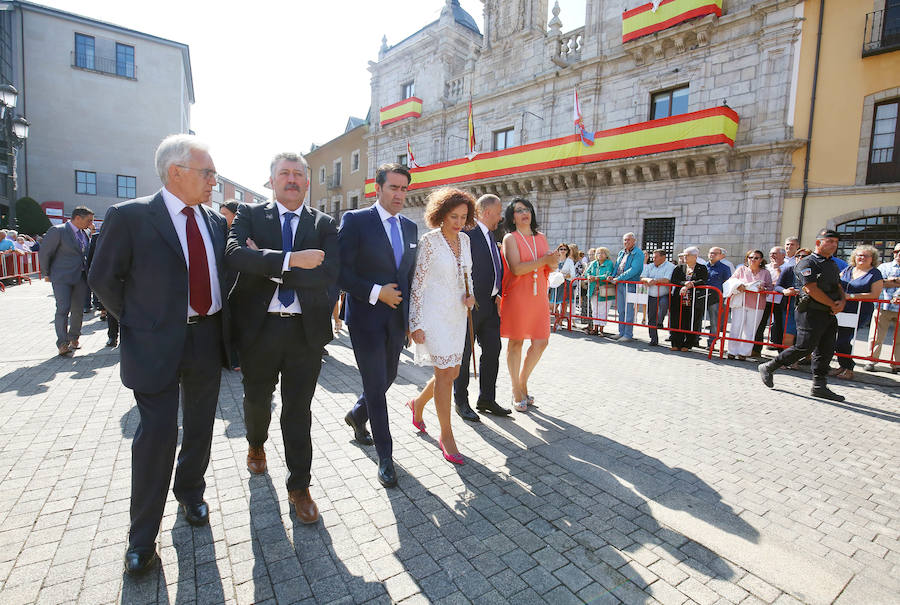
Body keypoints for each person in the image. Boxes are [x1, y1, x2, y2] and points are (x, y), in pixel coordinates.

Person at [88, 134, 230, 575]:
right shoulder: (130, 217)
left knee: (201, 426)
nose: (214, 180)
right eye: (207, 173)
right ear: (176, 172)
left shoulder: (215, 221)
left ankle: (191, 492)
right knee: (156, 436)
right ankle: (142, 538)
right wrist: (140, 321)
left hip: (206, 338)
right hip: (153, 345)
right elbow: (102, 279)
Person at [225, 152, 337, 522]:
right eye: (283, 173)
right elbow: (236, 256)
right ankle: (256, 445)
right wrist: (292, 261)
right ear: (271, 181)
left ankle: (299, 486)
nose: (291, 179)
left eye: (298, 174)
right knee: (257, 400)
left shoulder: (324, 224)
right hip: (260, 330)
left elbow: (327, 273)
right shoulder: (251, 215)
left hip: (305, 334)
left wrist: (268, 265)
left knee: (297, 412)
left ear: (307, 182)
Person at [339, 163, 416, 489]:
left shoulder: (411, 228)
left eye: (404, 189)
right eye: (393, 188)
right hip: (366, 319)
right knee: (375, 385)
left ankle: (357, 414)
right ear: (378, 189)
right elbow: (338, 270)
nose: (399, 194)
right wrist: (375, 292)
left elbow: (409, 278)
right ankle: (386, 457)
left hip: (397, 321)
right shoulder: (356, 221)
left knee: (390, 377)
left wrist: (411, 319)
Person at [406, 189, 476, 464]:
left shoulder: (467, 241)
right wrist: (416, 323)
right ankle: (446, 434)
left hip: (457, 315)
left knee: (453, 371)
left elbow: (467, 276)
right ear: (441, 215)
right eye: (453, 216)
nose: (458, 222)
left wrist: (472, 297)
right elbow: (418, 285)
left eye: (463, 216)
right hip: (434, 316)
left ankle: (417, 404)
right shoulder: (430, 241)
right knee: (446, 374)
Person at [759, 229, 847, 401]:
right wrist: (832, 304)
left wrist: (842, 302)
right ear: (818, 242)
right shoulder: (807, 263)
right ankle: (769, 366)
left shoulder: (833, 264)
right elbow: (811, 289)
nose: (833, 245)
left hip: (828, 313)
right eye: (829, 241)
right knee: (804, 346)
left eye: (836, 242)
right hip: (810, 311)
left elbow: (838, 285)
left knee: (826, 349)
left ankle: (819, 385)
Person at [452, 194, 511, 419]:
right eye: (498, 213)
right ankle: (461, 401)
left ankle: (487, 399)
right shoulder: (468, 234)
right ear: (487, 213)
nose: (500, 217)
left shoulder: (492, 235)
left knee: (493, 351)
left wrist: (497, 292)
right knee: (465, 355)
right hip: (471, 306)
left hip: (490, 306)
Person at [499, 197, 561, 412]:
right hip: (518, 296)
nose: (524, 213)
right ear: (512, 216)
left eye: (527, 209)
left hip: (539, 296)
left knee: (541, 342)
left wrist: (554, 260)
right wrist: (544, 261)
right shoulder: (510, 238)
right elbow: (516, 268)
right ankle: (516, 389)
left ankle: (522, 381)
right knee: (516, 343)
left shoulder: (541, 237)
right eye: (518, 210)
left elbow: (549, 267)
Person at [39, 206, 95, 356]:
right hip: (62, 277)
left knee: (78, 310)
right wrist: (46, 273)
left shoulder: (86, 233)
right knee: (63, 309)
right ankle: (62, 343)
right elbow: (45, 253)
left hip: (80, 277)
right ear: (78, 218)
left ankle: (74, 338)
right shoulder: (58, 231)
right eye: (88, 220)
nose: (91, 224)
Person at [831, 245, 883, 380]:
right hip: (842, 308)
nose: (862, 258)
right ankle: (843, 365)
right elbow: (837, 284)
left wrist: (852, 296)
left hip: (861, 310)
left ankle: (849, 368)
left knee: (844, 339)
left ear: (872, 259)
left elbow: (875, 294)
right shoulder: (848, 269)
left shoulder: (875, 273)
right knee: (838, 338)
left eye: (866, 256)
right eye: (859, 255)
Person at [725, 249, 772, 360]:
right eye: (750, 257)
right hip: (741, 302)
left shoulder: (765, 273)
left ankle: (744, 353)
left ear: (761, 260)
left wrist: (763, 288)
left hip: (757, 304)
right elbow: (732, 280)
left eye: (756, 258)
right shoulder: (741, 269)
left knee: (751, 329)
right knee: (736, 327)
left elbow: (770, 287)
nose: (753, 260)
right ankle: (732, 351)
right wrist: (738, 285)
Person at [867, 243, 900, 373]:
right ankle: (871, 360)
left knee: (899, 339)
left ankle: (896, 363)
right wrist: (893, 281)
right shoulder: (884, 267)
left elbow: (886, 282)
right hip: (883, 306)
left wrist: (892, 280)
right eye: (897, 251)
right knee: (876, 336)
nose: (899, 254)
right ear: (893, 253)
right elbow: (879, 283)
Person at [670, 247, 709, 351]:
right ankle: (676, 342)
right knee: (677, 319)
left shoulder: (702, 268)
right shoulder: (679, 267)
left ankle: (687, 344)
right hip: (679, 298)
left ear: (695, 256)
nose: (685, 257)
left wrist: (691, 284)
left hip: (693, 299)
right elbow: (674, 279)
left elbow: (703, 280)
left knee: (691, 320)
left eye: (687, 255)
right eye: (684, 255)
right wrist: (684, 283)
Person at [778, 248, 813, 363]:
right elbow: (778, 286)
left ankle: (807, 358)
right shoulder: (789, 270)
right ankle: (787, 361)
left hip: (809, 308)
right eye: (798, 256)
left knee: (806, 336)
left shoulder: (814, 272)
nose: (800, 258)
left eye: (804, 256)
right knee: (788, 333)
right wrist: (785, 291)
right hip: (790, 306)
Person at [752, 246, 787, 356]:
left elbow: (783, 284)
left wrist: (777, 273)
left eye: (775, 253)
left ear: (783, 255)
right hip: (765, 300)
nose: (772, 255)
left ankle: (781, 353)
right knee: (760, 325)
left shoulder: (788, 267)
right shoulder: (765, 267)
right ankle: (756, 350)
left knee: (780, 326)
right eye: (771, 253)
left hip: (781, 301)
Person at [611, 232, 644, 342]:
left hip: (630, 285)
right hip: (620, 284)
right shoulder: (621, 252)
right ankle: (621, 332)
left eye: (629, 240)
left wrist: (619, 278)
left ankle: (628, 334)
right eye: (625, 240)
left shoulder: (638, 253)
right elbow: (617, 266)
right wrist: (612, 276)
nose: (626, 242)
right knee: (621, 309)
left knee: (629, 310)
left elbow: (634, 269)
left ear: (634, 241)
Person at [640, 249, 675, 346]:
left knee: (663, 305)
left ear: (663, 257)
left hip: (664, 294)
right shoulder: (650, 266)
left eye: (656, 257)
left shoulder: (670, 266)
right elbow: (642, 277)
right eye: (653, 257)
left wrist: (655, 281)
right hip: (652, 294)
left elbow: (667, 279)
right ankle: (653, 338)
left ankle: (659, 322)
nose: (653, 259)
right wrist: (648, 279)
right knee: (651, 316)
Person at [705, 247, 732, 348]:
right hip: (701, 296)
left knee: (714, 321)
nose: (712, 255)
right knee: (697, 319)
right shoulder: (703, 266)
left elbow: (727, 283)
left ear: (721, 256)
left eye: (715, 253)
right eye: (711, 253)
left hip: (716, 298)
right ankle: (695, 339)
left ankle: (711, 342)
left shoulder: (725, 268)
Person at [583, 247, 615, 336]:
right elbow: (586, 273)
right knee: (595, 310)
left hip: (604, 289)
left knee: (603, 310)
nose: (600, 255)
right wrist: (589, 276)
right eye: (598, 253)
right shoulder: (593, 263)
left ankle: (601, 329)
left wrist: (596, 278)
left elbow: (607, 274)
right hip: (594, 289)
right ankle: (595, 328)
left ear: (606, 254)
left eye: (602, 253)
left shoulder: (609, 263)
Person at [549, 243, 574, 331]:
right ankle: (557, 320)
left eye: (565, 249)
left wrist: (566, 276)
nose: (563, 251)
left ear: (567, 251)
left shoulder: (569, 261)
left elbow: (573, 274)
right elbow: (550, 270)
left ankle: (560, 323)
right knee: (553, 305)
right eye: (561, 249)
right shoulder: (555, 260)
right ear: (558, 250)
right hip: (555, 284)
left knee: (563, 304)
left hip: (565, 284)